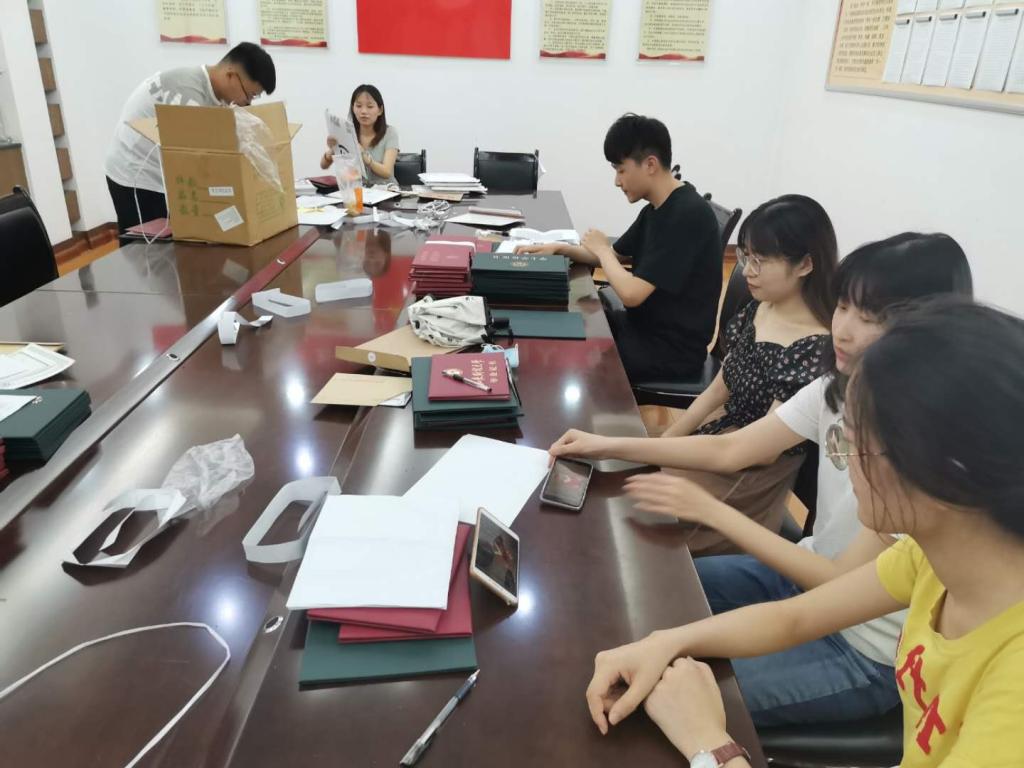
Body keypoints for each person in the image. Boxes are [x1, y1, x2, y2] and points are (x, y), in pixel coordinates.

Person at [585, 298, 1024, 767]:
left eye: (859, 444)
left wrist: (711, 743)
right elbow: (794, 617)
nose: (845, 462)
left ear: (947, 473)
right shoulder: (930, 556)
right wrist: (666, 642)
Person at [571, 234, 971, 726]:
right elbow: (732, 448)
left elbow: (838, 588)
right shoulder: (838, 386)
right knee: (639, 595)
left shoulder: (923, 457)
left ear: (928, 334)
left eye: (870, 318)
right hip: (799, 586)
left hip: (862, 650)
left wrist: (712, 511)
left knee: (651, 695)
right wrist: (609, 445)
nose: (842, 330)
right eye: (843, 307)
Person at [553, 194, 838, 553]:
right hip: (716, 440)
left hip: (745, 477)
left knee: (628, 526)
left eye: (761, 261)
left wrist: (648, 452)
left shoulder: (815, 349)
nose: (748, 270)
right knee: (608, 486)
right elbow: (718, 389)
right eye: (746, 256)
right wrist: (665, 443)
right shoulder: (763, 306)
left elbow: (752, 454)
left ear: (806, 264)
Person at [516, 113, 721, 384]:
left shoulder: (686, 214)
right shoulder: (658, 208)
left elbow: (631, 294)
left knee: (573, 357)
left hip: (671, 350)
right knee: (570, 322)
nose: (616, 181)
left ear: (650, 164)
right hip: (643, 329)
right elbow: (615, 255)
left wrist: (602, 250)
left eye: (621, 170)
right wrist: (560, 249)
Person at [105, 42, 277, 235]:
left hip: (160, 171)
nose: (247, 103)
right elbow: (195, 162)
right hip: (135, 173)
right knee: (146, 245)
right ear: (231, 75)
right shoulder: (187, 96)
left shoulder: (211, 93)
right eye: (250, 95)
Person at [320, 85, 399, 186]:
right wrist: (333, 149)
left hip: (387, 191)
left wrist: (365, 157)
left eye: (370, 107)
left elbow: (387, 172)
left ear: (380, 110)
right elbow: (323, 165)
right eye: (358, 106)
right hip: (358, 191)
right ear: (353, 108)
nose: (363, 111)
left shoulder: (390, 133)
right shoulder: (347, 132)